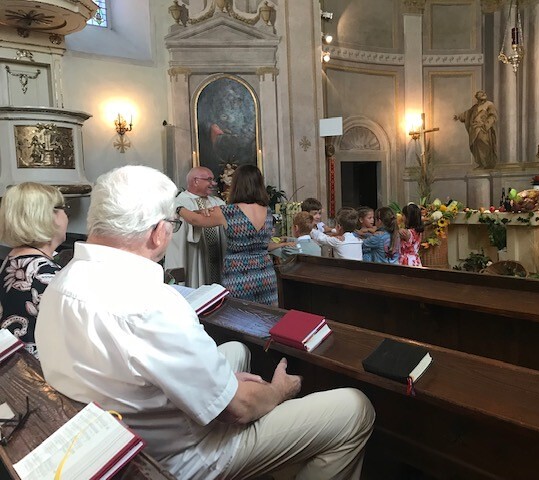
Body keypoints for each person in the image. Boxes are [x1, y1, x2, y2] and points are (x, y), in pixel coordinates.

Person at [35, 165, 375, 480]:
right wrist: (278, 391)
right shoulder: (152, 304)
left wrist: (224, 383)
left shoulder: (59, 283)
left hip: (117, 435)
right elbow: (240, 408)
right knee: (355, 408)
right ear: (157, 233)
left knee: (236, 349)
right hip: (183, 457)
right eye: (172, 224)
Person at [180, 164, 278, 305]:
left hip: (239, 274)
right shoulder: (267, 210)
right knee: (266, 314)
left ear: (237, 185)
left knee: (238, 315)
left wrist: (178, 208)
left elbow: (195, 220)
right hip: (265, 273)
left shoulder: (228, 211)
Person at [0, 182, 68, 358]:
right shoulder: (44, 272)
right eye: (64, 208)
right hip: (38, 369)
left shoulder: (12, 259)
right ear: (49, 216)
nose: (66, 215)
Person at [165, 166, 226, 287]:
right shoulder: (178, 203)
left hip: (218, 258)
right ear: (195, 181)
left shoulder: (218, 202)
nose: (213, 183)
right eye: (209, 179)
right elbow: (176, 233)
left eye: (213, 179)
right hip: (194, 258)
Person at [453, 90, 498, 169]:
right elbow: (467, 114)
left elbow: (493, 116)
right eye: (480, 98)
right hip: (475, 130)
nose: (482, 100)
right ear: (478, 98)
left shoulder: (489, 105)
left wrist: (485, 125)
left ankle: (487, 163)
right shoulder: (475, 107)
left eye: (483, 98)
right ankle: (482, 163)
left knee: (484, 145)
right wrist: (458, 116)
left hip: (484, 130)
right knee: (476, 146)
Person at [399, 203, 424, 267]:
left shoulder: (407, 233)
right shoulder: (418, 231)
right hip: (415, 260)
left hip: (407, 262)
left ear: (408, 217)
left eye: (403, 215)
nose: (402, 217)